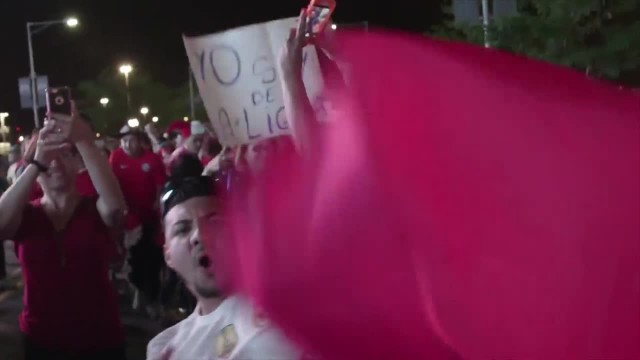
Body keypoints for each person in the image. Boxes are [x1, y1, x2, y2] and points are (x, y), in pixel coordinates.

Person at [0, 106, 127, 359]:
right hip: (41, 339)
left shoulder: (94, 207)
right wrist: (37, 161)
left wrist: (83, 140)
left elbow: (115, 208)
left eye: (65, 154)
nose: (55, 163)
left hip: (100, 338)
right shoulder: (26, 215)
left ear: (78, 163)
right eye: (48, 157)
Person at [146, 153, 300, 360]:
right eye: (182, 230)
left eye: (215, 222)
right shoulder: (163, 347)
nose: (199, 235)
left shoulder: (277, 322)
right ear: (168, 256)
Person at [110, 125, 166, 314]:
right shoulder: (116, 157)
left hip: (150, 218)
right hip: (128, 218)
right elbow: (111, 184)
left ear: (140, 141)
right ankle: (139, 292)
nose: (127, 144)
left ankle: (151, 298)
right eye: (124, 140)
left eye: (131, 140)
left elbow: (160, 188)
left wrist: (157, 208)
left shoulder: (152, 159)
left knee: (151, 259)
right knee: (134, 259)